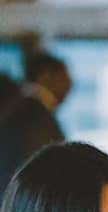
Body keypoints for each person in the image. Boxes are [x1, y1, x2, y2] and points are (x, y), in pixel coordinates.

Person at [0, 53, 69, 196]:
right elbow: (35, 170)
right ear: (45, 75)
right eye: (64, 76)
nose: (70, 83)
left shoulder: (21, 107)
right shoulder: (34, 114)